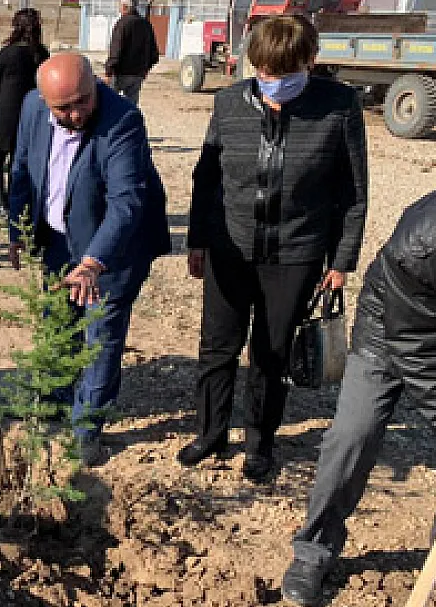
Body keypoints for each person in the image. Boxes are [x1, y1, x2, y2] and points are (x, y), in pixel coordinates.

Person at [179, 16, 367, 482]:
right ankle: (210, 433)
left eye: (282, 74)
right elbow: (207, 178)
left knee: (271, 352)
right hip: (230, 247)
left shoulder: (338, 108)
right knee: (217, 347)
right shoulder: (228, 103)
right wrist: (198, 239)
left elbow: (353, 192)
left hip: (296, 254)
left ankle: (260, 442)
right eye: (262, 72)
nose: (271, 83)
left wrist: (341, 261)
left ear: (309, 62)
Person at [281, 178, 436, 607]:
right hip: (394, 327)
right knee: (352, 435)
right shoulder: (428, 242)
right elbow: (425, 359)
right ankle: (313, 551)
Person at [7, 53, 170, 465]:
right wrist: (18, 231)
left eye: (84, 100)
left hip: (112, 248)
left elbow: (126, 203)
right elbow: (22, 170)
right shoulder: (31, 107)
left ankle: (87, 428)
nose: (77, 113)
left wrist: (94, 261)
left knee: (101, 337)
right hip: (58, 241)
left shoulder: (122, 120)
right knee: (58, 322)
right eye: (65, 107)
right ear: (46, 102)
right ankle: (57, 400)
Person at [0, 7, 47, 222]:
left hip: (6, 111)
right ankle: (14, 203)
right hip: (32, 112)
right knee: (18, 161)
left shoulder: (9, 52)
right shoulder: (42, 53)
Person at [103, 0, 159, 107]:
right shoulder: (146, 25)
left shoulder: (122, 23)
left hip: (119, 74)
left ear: (124, 6)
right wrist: (146, 69)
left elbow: (116, 50)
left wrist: (108, 72)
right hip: (137, 74)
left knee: (110, 106)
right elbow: (154, 55)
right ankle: (128, 123)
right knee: (130, 107)